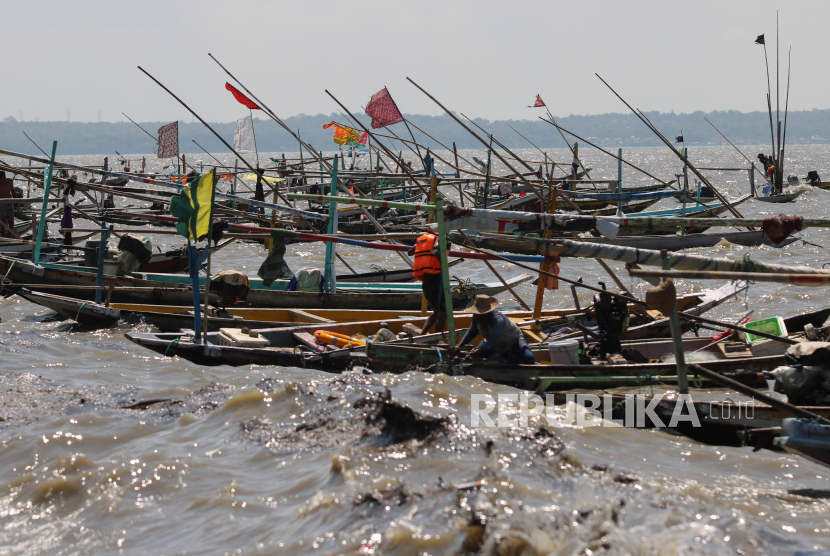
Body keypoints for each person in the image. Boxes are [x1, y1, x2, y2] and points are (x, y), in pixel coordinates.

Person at [448, 295, 535, 365]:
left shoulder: (498, 320)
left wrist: (479, 350)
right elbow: (472, 332)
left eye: (479, 313)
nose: (475, 315)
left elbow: (494, 341)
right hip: (491, 343)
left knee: (529, 358)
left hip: (513, 341)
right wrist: (458, 346)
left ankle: (508, 359)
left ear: (487, 312)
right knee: (474, 358)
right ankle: (504, 358)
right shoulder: (476, 318)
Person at [407, 232, 447, 335]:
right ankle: (436, 339)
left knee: (437, 312)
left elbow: (410, 252)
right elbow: (436, 247)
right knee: (443, 313)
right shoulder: (438, 237)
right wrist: (443, 264)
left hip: (426, 281)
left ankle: (423, 335)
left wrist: (421, 247)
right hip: (435, 279)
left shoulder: (423, 239)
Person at [0, 171, 16, 238]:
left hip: (9, 202)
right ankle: (3, 238)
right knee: (3, 223)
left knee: (11, 222)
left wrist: (17, 203)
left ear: (4, 178)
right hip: (1, 203)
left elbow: (13, 191)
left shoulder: (10, 181)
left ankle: (10, 238)